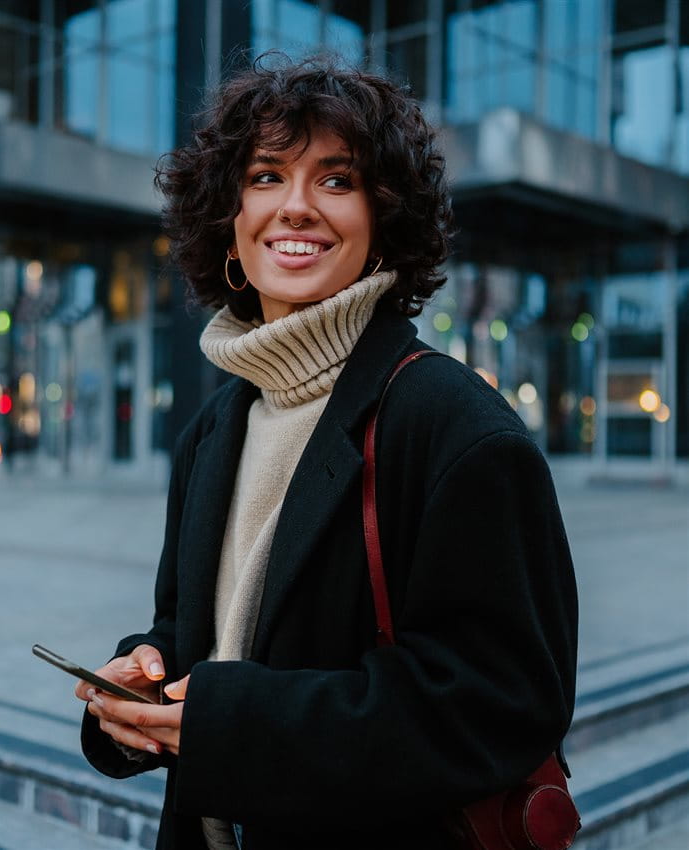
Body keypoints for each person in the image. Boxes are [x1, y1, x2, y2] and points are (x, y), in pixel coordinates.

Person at [75, 55, 578, 850]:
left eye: (337, 181)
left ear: (383, 224)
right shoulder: (215, 429)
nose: (297, 207)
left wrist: (226, 720)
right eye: (267, 176)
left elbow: (501, 702)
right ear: (230, 225)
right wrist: (140, 679)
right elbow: (193, 632)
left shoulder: (454, 426)